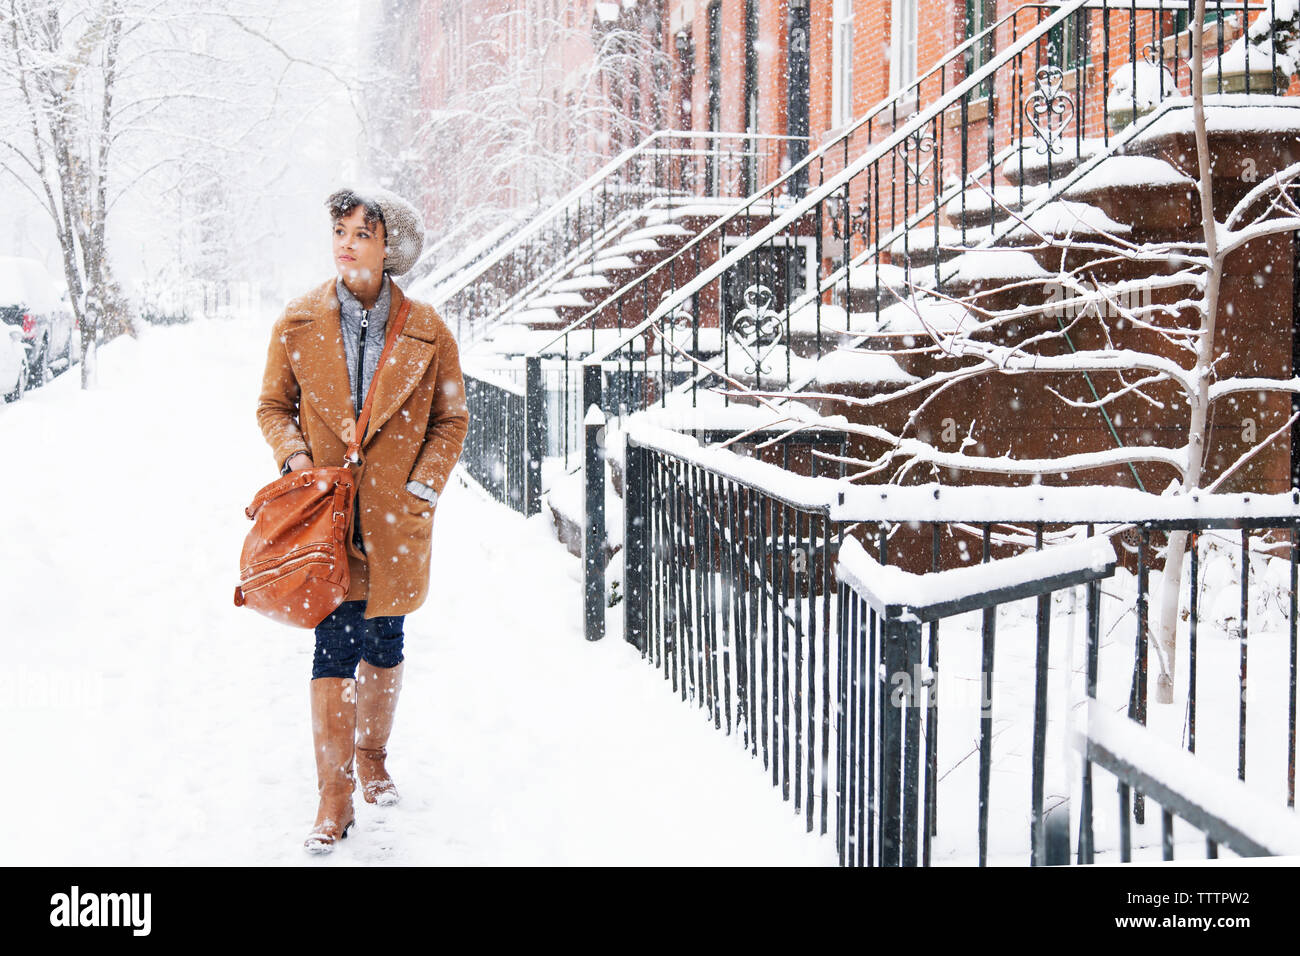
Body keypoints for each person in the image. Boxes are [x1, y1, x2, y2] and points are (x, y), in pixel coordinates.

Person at [255, 185, 469, 853]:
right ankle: (335, 790)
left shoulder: (429, 330)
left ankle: (373, 757)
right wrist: (296, 463)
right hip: (326, 518)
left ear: (389, 247)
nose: (346, 242)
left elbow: (450, 417)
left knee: (385, 640)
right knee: (333, 644)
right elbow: (272, 406)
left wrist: (423, 489)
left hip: (395, 521)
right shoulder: (297, 323)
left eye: (361, 232)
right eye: (340, 230)